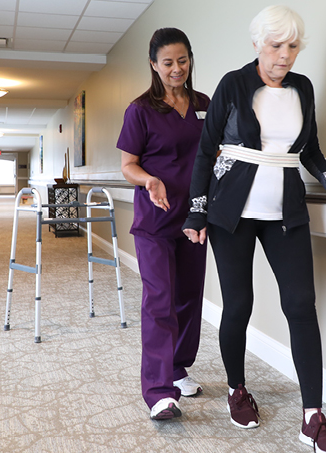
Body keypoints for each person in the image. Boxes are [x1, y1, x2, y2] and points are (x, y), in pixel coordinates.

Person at [182, 6, 326, 453]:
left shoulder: (302, 88)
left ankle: (312, 417)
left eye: (291, 47)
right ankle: (238, 389)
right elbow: (207, 153)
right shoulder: (233, 83)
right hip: (232, 213)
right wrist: (196, 213)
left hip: (285, 211)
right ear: (257, 45)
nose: (283, 56)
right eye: (274, 46)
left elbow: (311, 150)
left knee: (301, 304)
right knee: (240, 304)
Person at [117, 28, 211, 421]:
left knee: (189, 296)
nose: (177, 69)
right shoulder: (140, 109)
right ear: (154, 65)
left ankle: (177, 367)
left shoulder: (205, 104)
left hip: (194, 218)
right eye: (168, 62)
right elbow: (128, 165)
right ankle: (158, 391)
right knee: (159, 301)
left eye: (183, 60)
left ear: (191, 58)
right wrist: (149, 180)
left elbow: (216, 153)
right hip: (155, 221)